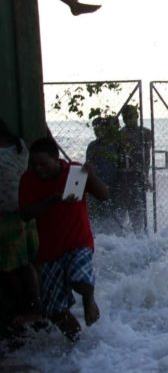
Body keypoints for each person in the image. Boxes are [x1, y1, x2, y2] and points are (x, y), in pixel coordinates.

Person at [18, 137, 109, 341]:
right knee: (55, 311)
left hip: (79, 242)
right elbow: (25, 213)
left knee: (79, 278)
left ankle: (88, 298)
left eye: (43, 164)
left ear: (56, 158)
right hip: (50, 251)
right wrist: (51, 200)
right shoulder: (29, 179)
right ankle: (79, 344)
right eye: (34, 164)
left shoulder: (74, 172)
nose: (38, 169)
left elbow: (104, 196)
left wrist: (92, 176)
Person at [0, 119, 41, 331]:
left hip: (7, 217)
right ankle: (34, 308)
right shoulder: (20, 146)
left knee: (10, 268)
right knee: (26, 264)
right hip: (25, 213)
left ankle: (25, 310)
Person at [118, 104, 152, 235]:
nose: (129, 119)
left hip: (138, 178)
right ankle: (123, 239)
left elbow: (147, 158)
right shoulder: (120, 135)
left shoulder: (146, 133)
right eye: (126, 117)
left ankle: (138, 238)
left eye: (131, 116)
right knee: (120, 216)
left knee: (138, 216)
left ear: (137, 116)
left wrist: (145, 176)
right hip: (122, 179)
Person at [85, 116, 122, 232]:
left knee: (112, 217)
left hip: (112, 186)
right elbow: (89, 165)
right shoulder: (92, 146)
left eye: (99, 128)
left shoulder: (115, 145)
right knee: (94, 216)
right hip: (96, 185)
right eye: (95, 128)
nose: (97, 131)